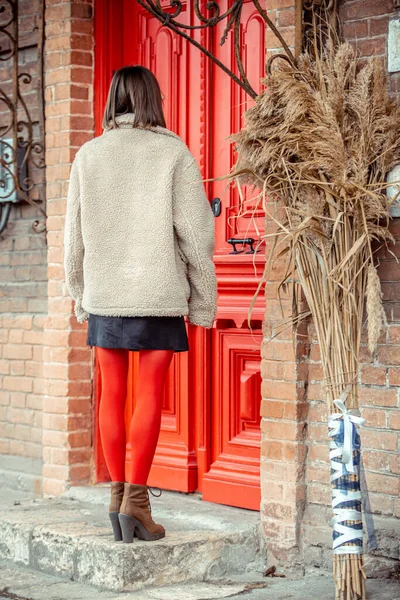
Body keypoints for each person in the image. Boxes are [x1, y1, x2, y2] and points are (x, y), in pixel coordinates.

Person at [63, 65, 218, 544]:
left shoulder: (88, 155)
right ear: (154, 98)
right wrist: (204, 301)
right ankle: (137, 504)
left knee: (112, 394)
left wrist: (79, 295)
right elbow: (195, 236)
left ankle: (116, 500)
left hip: (106, 295)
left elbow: (73, 240)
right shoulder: (172, 153)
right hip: (157, 294)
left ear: (113, 99)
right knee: (148, 393)